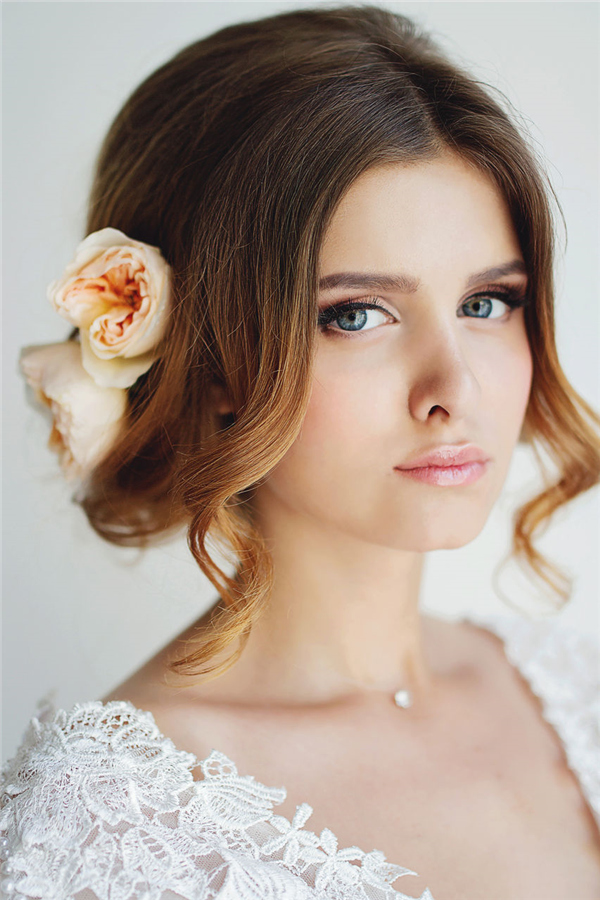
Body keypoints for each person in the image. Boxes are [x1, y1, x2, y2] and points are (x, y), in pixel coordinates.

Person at [1, 5, 599, 899]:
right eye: (356, 315)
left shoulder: (573, 690)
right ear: (208, 362)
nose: (455, 389)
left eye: (487, 303)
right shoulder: (107, 831)